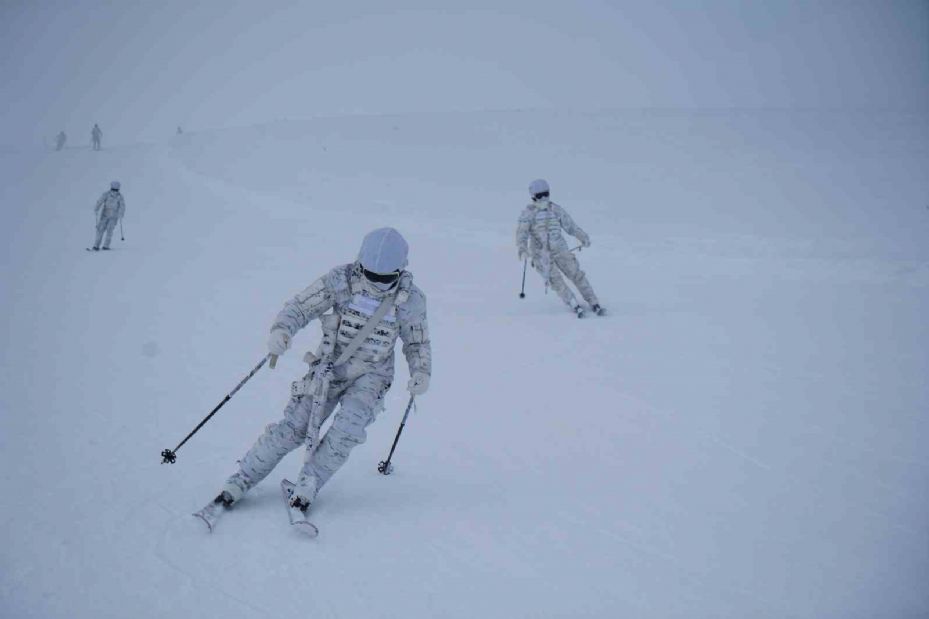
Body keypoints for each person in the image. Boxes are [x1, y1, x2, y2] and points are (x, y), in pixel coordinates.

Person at [215, 227, 432, 517]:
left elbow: (417, 340)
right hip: (331, 367)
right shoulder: (341, 281)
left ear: (400, 270)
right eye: (372, 275)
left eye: (385, 278)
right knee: (295, 427)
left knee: (346, 432)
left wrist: (421, 370)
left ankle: (309, 484)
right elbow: (301, 307)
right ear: (360, 265)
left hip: (373, 375)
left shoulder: (410, 300)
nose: (378, 283)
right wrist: (282, 330)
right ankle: (242, 478)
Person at [516, 179, 604, 317]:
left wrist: (582, 236)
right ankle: (572, 302)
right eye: (540, 195)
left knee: (576, 274)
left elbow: (570, 226)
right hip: (541, 253)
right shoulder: (529, 213)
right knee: (555, 279)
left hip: (560, 249)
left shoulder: (555, 209)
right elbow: (522, 233)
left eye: (546, 194)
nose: (544, 198)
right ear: (533, 196)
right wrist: (522, 249)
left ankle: (593, 301)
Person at [91, 181, 125, 250]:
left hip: (113, 217)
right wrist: (96, 208)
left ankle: (106, 246)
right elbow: (100, 201)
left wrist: (121, 214)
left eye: (116, 190)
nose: (114, 191)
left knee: (109, 231)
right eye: (113, 189)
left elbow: (122, 206)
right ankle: (96, 245)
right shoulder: (106, 194)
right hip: (105, 215)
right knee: (100, 230)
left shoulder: (120, 197)